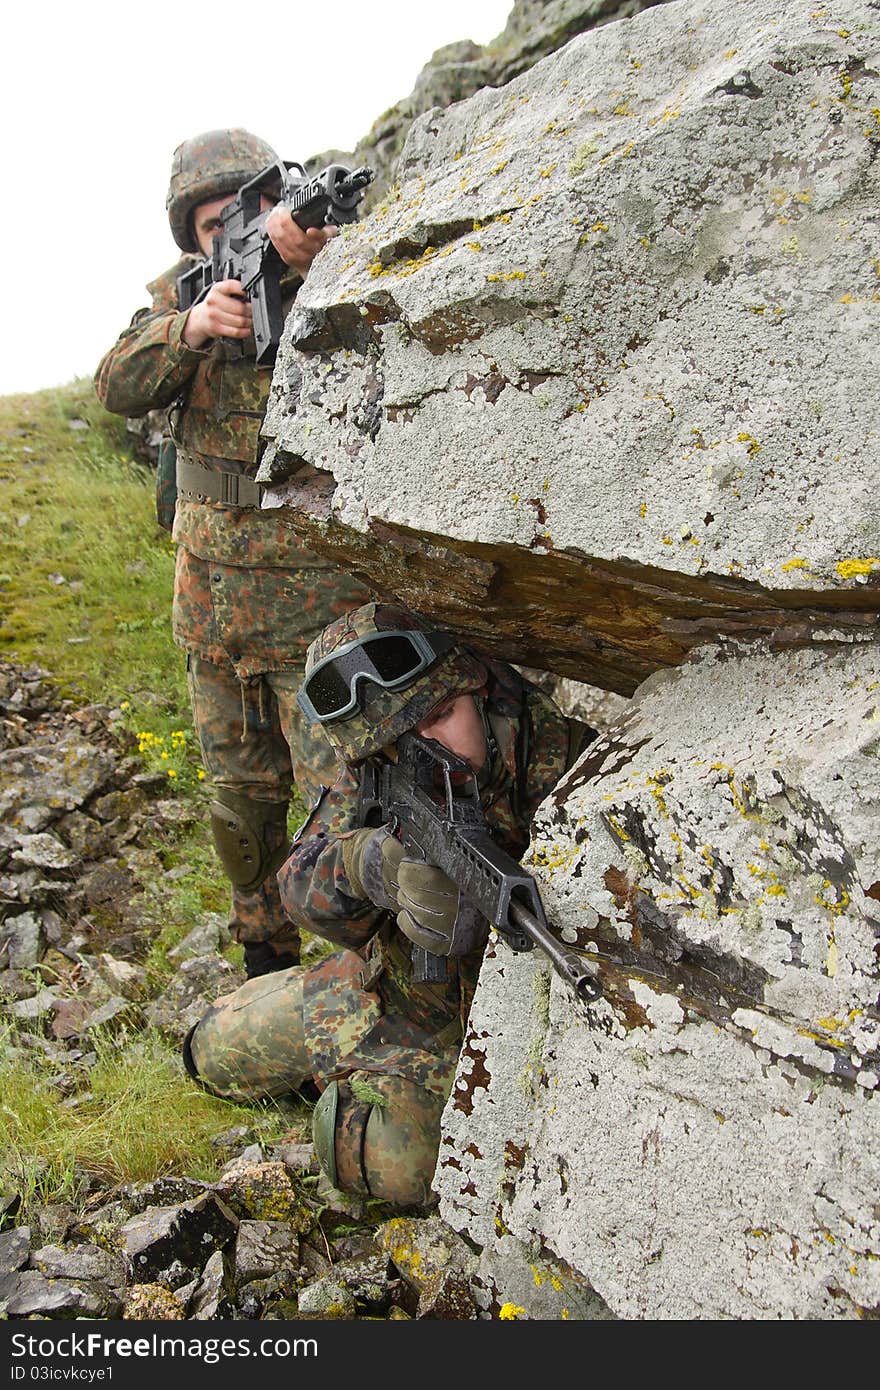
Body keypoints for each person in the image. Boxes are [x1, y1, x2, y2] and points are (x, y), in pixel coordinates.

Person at [184, 601, 597, 1206]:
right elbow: (297, 884)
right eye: (401, 737)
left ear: (477, 689)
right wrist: (369, 867)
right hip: (384, 990)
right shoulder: (384, 763)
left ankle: (361, 1087)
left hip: (482, 1032)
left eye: (439, 714)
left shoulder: (563, 762)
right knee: (207, 1054)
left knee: (394, 1171)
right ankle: (333, 1058)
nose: (429, 745)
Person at [95, 129, 370, 979]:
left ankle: (358, 989)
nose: (229, 233)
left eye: (242, 214)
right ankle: (263, 966)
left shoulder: (333, 265)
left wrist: (308, 257)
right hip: (211, 610)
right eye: (210, 222)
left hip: (313, 610)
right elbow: (115, 385)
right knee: (242, 810)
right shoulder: (172, 301)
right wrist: (190, 328)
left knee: (344, 809)